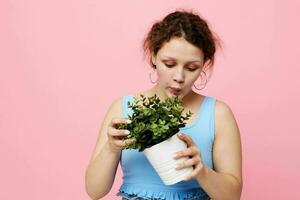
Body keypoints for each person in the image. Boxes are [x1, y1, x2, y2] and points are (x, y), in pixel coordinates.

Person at [85, 9, 243, 200]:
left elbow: (232, 196)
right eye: (169, 64)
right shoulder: (123, 109)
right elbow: (94, 191)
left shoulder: (218, 114)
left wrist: (202, 172)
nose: (179, 77)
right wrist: (111, 148)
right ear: (153, 56)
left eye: (192, 68)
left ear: (204, 64)